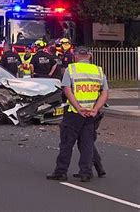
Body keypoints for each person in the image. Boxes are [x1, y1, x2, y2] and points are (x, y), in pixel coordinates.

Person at [46, 46, 109, 182]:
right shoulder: (98, 71)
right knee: (87, 144)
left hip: (75, 113)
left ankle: (61, 171)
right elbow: (105, 92)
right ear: (90, 56)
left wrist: (78, 107)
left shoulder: (71, 69)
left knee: (67, 143)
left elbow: (67, 90)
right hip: (91, 114)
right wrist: (96, 108)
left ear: (75, 56)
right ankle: (86, 172)